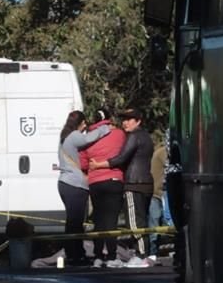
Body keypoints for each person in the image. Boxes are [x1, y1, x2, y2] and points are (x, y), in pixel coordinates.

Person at [90, 107, 154, 266]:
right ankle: (145, 254)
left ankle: (140, 256)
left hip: (134, 183)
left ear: (138, 121)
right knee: (142, 220)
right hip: (146, 182)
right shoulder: (146, 136)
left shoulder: (134, 136)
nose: (125, 122)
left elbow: (121, 158)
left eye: (129, 119)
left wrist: (99, 165)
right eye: (123, 119)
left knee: (134, 222)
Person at [57, 110, 110, 266]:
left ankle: (74, 253)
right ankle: (76, 255)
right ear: (79, 123)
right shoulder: (74, 136)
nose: (86, 126)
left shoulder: (64, 136)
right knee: (76, 222)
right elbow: (89, 138)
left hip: (65, 183)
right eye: (84, 123)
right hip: (74, 184)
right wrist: (104, 128)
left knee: (72, 222)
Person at [81, 108, 126, 267]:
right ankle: (112, 255)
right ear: (109, 118)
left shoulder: (88, 139)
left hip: (95, 182)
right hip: (114, 179)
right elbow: (124, 153)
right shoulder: (119, 134)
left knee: (99, 219)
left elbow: (83, 163)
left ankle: (98, 255)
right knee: (111, 220)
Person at [148, 132, 168, 263]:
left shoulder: (160, 151)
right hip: (158, 193)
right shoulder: (163, 153)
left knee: (156, 222)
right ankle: (153, 252)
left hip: (159, 192)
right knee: (156, 223)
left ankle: (154, 251)